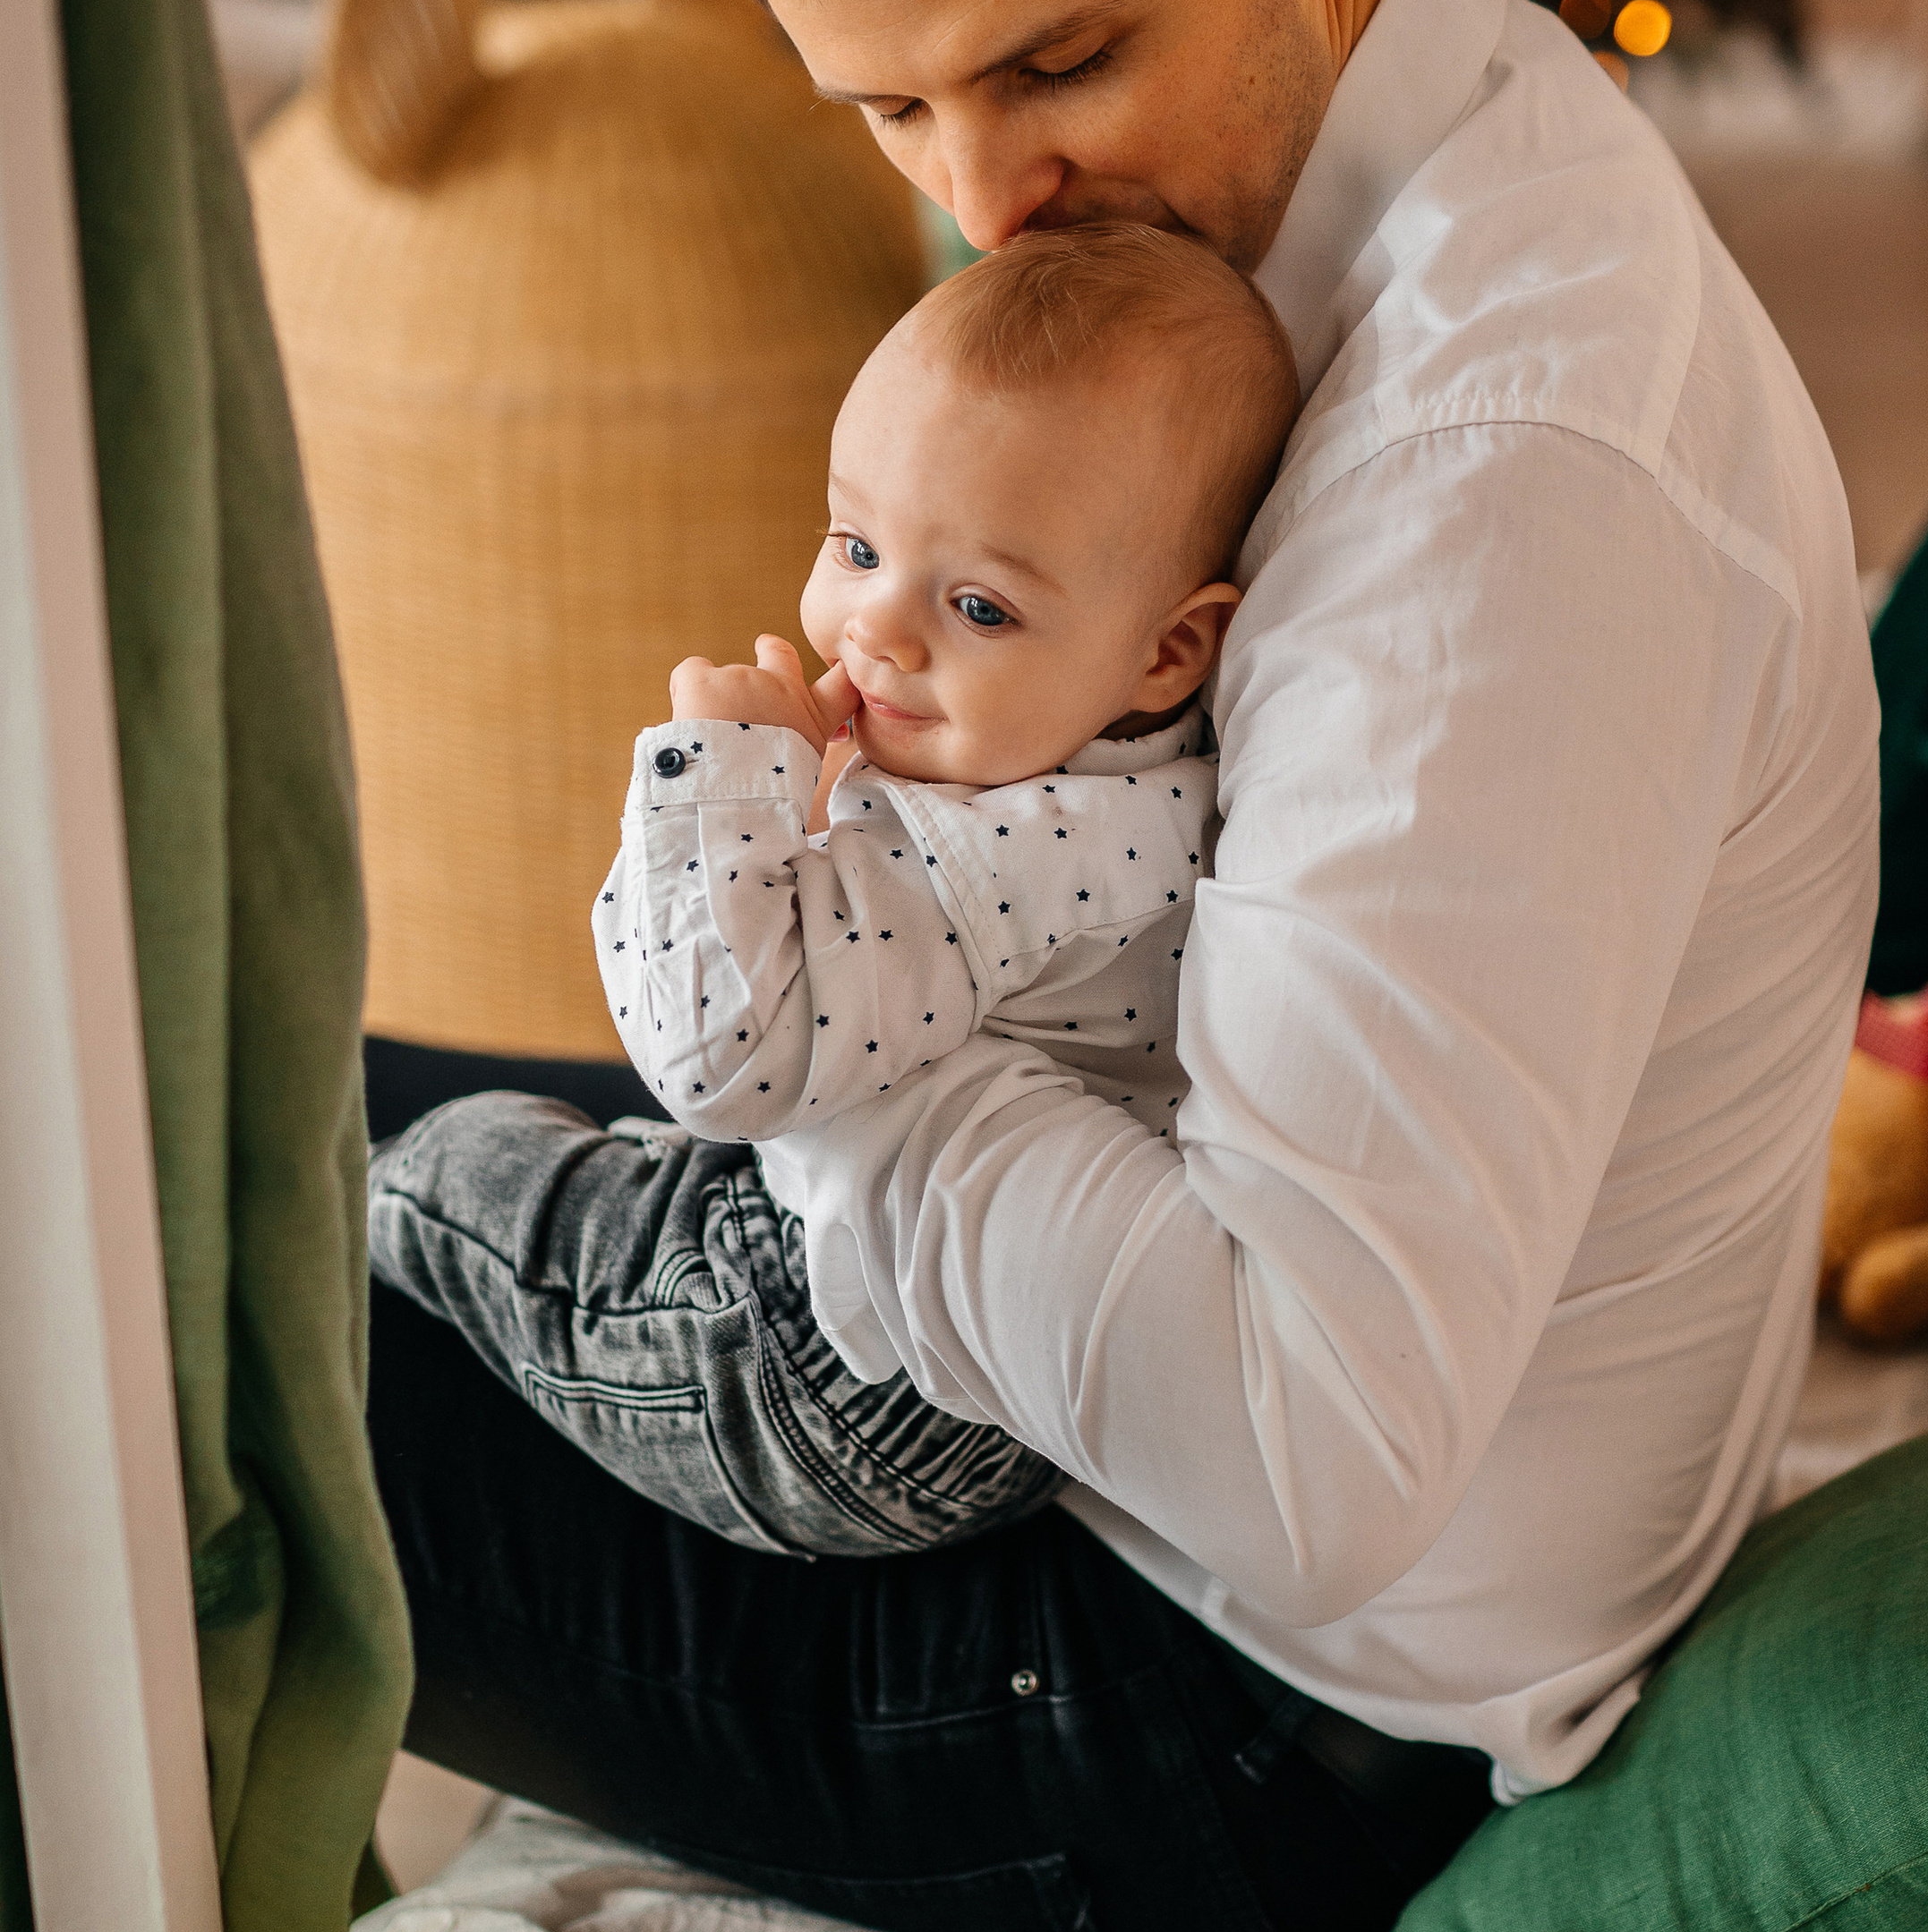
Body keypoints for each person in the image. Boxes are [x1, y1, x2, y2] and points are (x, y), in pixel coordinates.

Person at [365, 0, 1878, 1932]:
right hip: (1056, 1404)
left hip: (1230, 1697)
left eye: (1055, 60)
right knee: (209, 1109)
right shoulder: (1368, 205)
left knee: (109, 1302)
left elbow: (1307, 1464)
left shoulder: (1501, 483)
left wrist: (836, 1048)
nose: (987, 202)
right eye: (891, 109)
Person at [369, 225, 1294, 1552]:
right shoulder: (1137, 767)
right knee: (563, 1151)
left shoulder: (1003, 858)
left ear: (1171, 647)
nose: (876, 630)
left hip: (812, 1376)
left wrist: (720, 778)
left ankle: (319, 1233)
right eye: (854, 545)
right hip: (949, 1378)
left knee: (459, 1166)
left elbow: (719, 1053)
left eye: (978, 608)